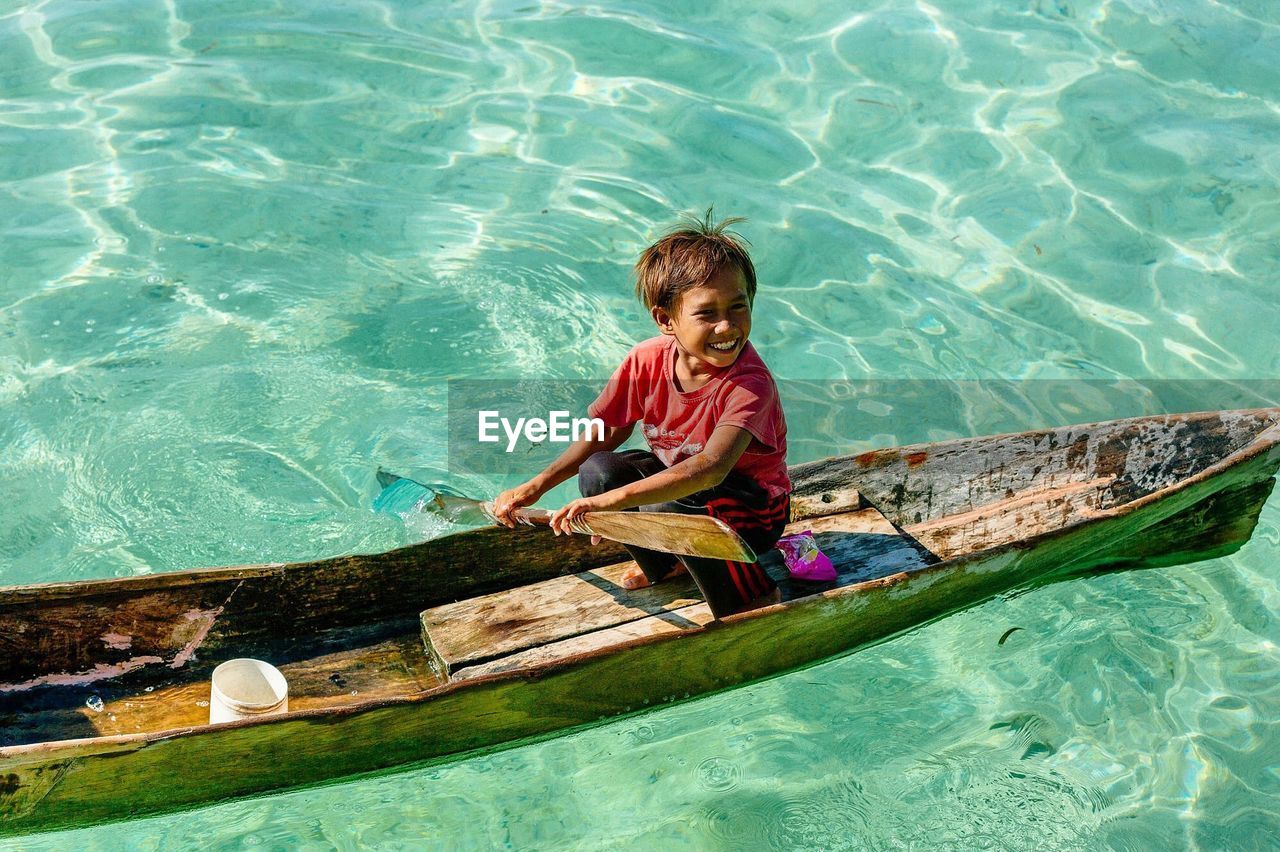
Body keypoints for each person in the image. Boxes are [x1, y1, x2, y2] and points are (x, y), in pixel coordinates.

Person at [492, 211, 790, 617]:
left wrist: (614, 502)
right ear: (666, 320)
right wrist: (538, 484)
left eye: (738, 308)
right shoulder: (646, 360)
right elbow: (606, 432)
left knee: (669, 508)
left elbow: (710, 468)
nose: (726, 327)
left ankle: (751, 597)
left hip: (753, 512)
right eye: (706, 314)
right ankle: (667, 565)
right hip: (688, 492)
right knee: (599, 471)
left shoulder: (749, 384)